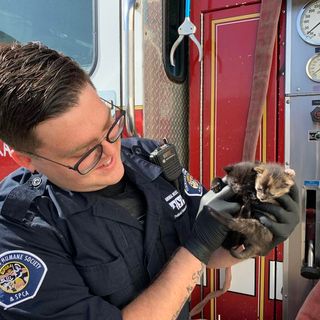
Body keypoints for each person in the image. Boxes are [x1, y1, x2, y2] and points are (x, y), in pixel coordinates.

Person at [0, 42, 299, 320]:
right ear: (26, 159)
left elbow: (207, 254)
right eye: (84, 153)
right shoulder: (20, 232)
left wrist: (252, 237)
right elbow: (197, 248)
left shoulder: (148, 157)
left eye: (110, 126)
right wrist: (198, 245)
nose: (109, 153)